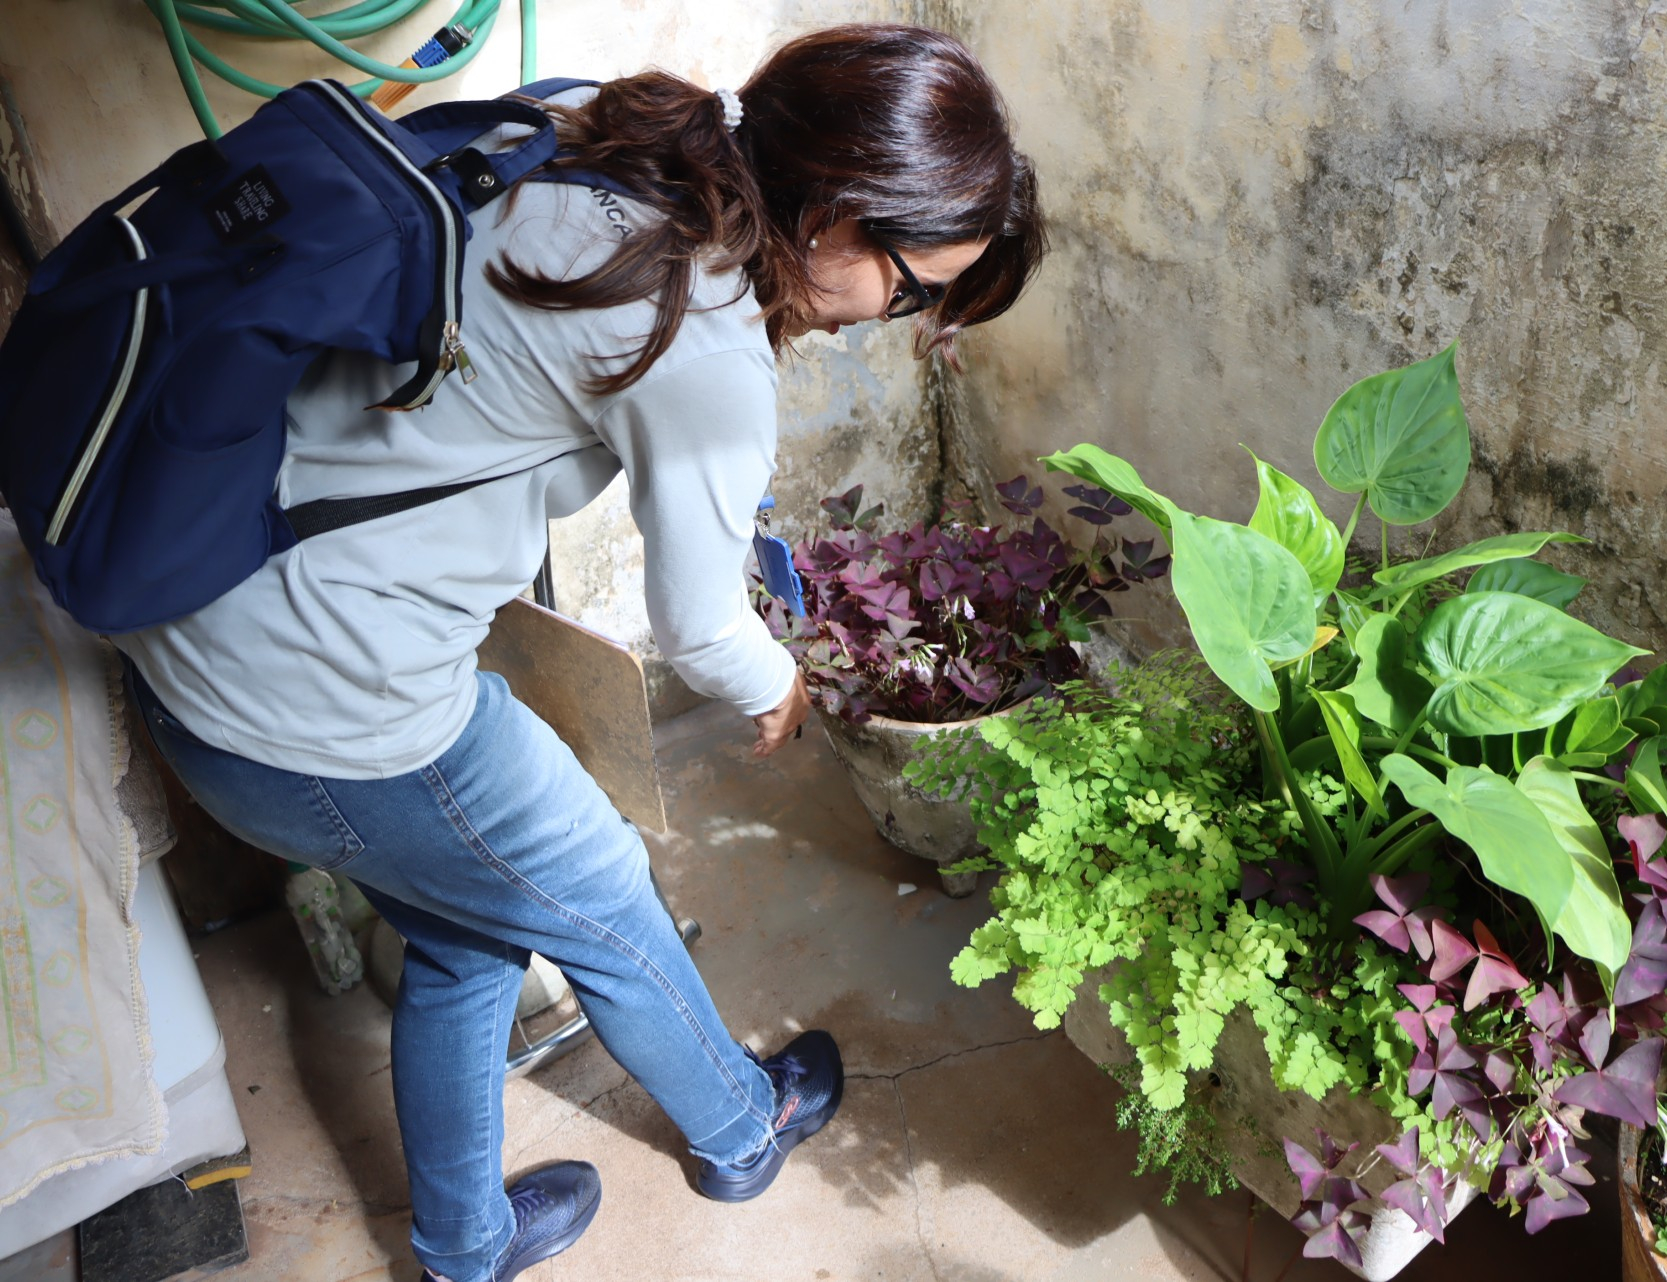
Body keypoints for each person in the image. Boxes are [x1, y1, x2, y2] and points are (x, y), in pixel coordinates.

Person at [118, 23, 1043, 1282]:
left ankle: (462, 1243)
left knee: (468, 924)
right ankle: (741, 1127)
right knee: (603, 894)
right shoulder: (698, 333)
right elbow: (703, 624)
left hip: (192, 629)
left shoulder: (595, 125)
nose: (899, 317)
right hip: (332, 702)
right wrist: (783, 685)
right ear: (836, 215)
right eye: (917, 286)